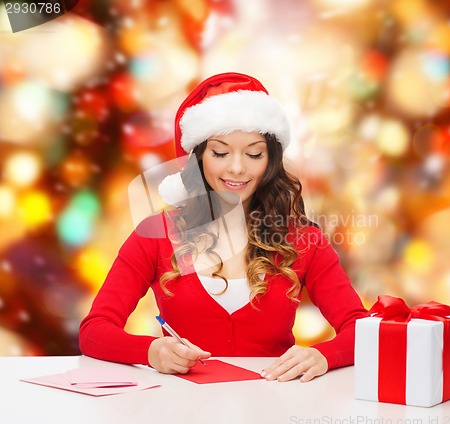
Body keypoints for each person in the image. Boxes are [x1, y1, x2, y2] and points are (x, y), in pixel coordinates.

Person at [79, 72, 367, 383]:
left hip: (274, 408)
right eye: (220, 152)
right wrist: (151, 351)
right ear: (199, 157)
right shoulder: (156, 234)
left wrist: (323, 355)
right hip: (180, 411)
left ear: (270, 160)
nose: (237, 168)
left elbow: (361, 329)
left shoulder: (305, 240)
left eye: (254, 154)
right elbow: (94, 330)